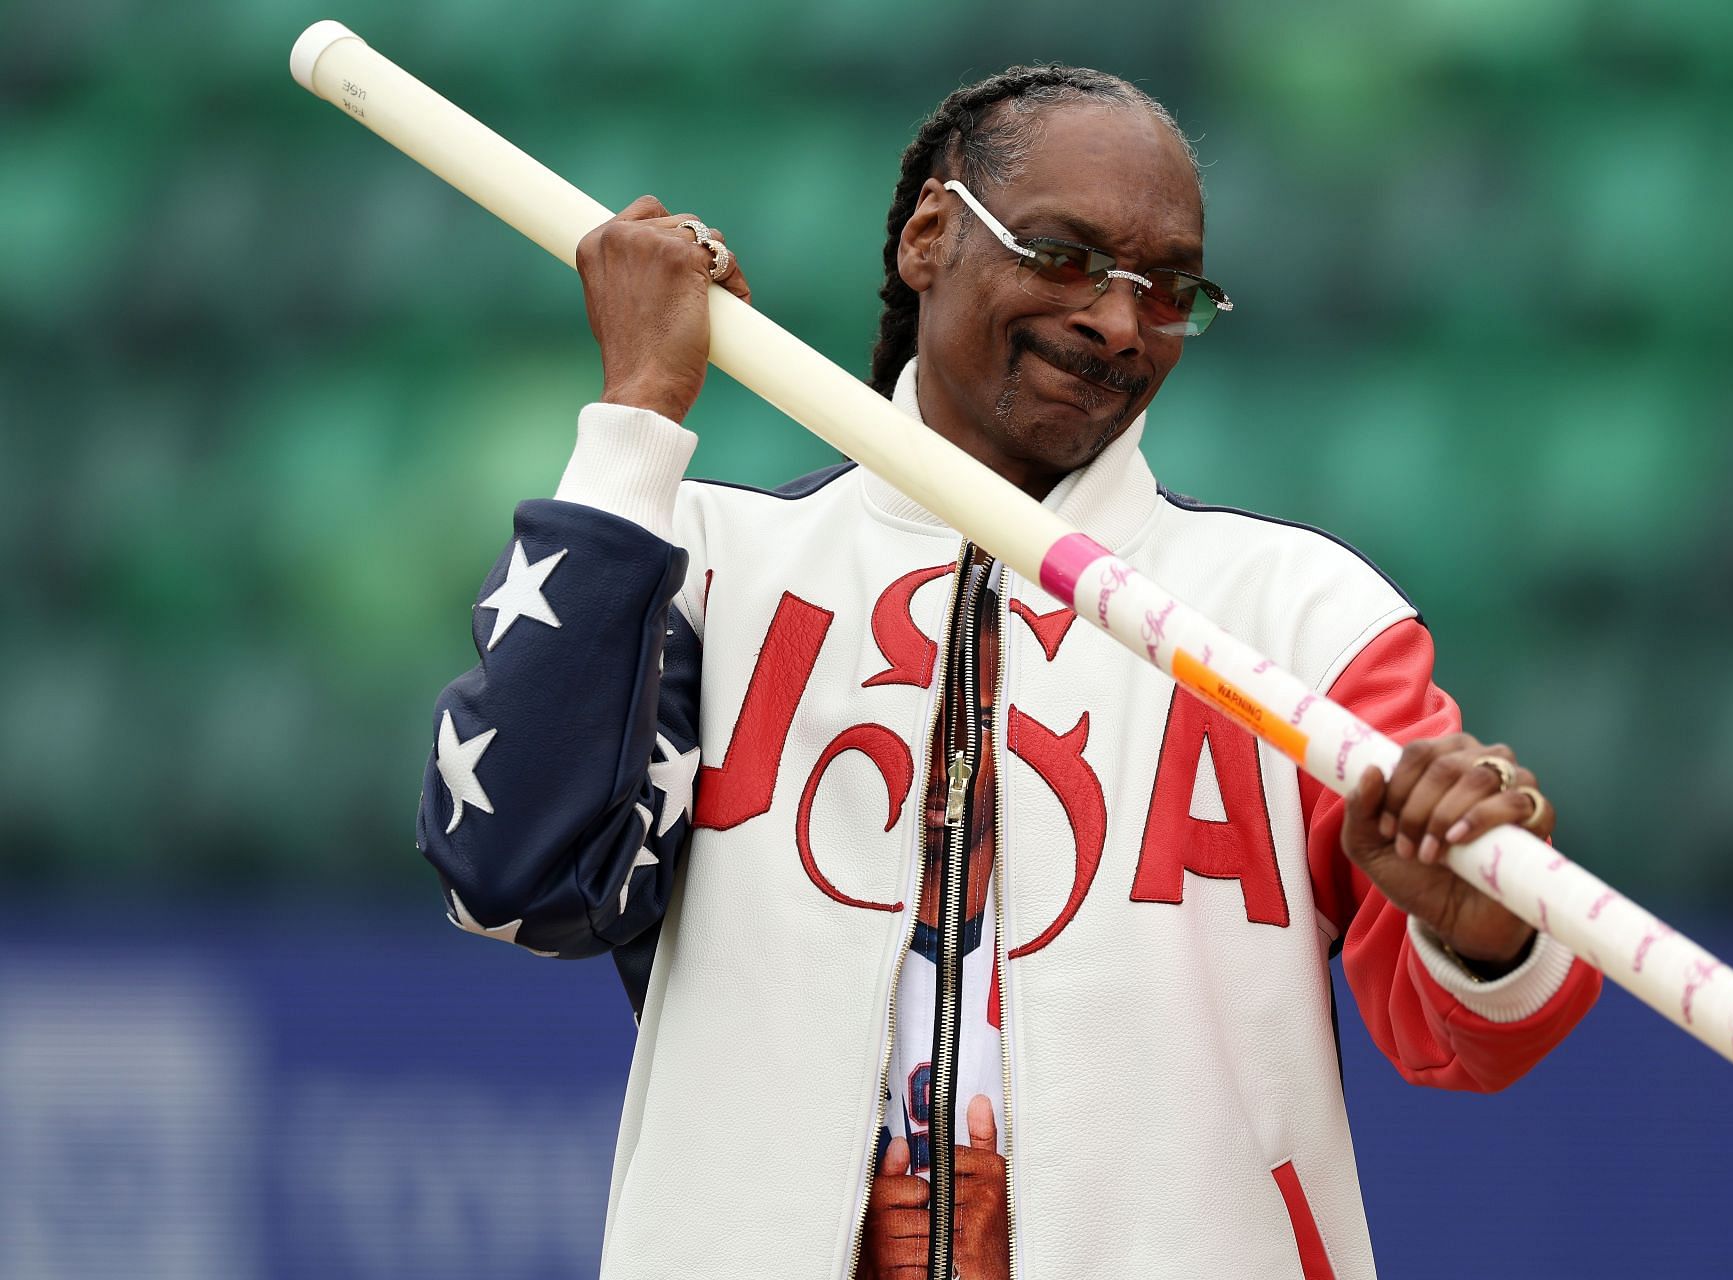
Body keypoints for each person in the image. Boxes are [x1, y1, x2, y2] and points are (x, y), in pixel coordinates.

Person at [419, 64, 1602, 1280]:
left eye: (1169, 288)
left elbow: (1468, 1033)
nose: (1116, 321)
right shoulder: (708, 569)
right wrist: (637, 420)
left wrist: (1485, 927)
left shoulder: (1297, 615)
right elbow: (514, 870)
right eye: (1064, 256)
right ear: (930, 235)